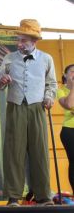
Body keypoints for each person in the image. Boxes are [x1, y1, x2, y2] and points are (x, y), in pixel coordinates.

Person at [0, 19, 57, 206]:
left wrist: (49, 97)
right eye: (18, 40)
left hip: (37, 107)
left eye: (23, 40)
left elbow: (51, 84)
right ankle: (13, 196)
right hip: (15, 107)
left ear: (34, 41)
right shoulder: (9, 58)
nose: (19, 44)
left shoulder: (46, 58)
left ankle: (43, 196)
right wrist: (2, 80)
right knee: (14, 152)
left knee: (39, 151)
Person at [57, 64, 74, 193]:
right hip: (69, 131)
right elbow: (69, 104)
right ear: (65, 76)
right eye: (72, 72)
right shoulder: (61, 90)